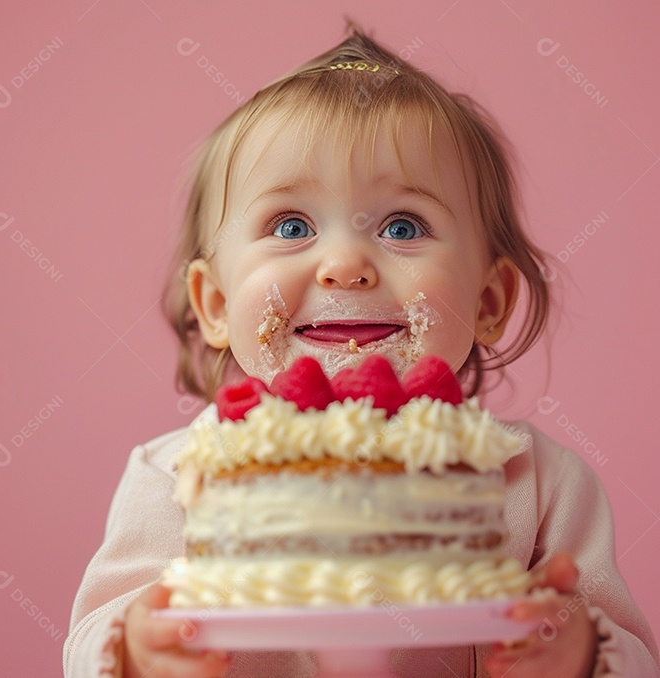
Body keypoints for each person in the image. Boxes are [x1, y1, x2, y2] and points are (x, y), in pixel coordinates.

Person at [64, 27, 660, 677]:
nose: (345, 266)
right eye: (291, 226)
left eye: (402, 226)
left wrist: (578, 651)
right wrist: (137, 648)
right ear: (213, 304)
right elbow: (95, 636)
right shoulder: (173, 474)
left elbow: (631, 656)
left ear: (488, 303)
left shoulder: (541, 481)